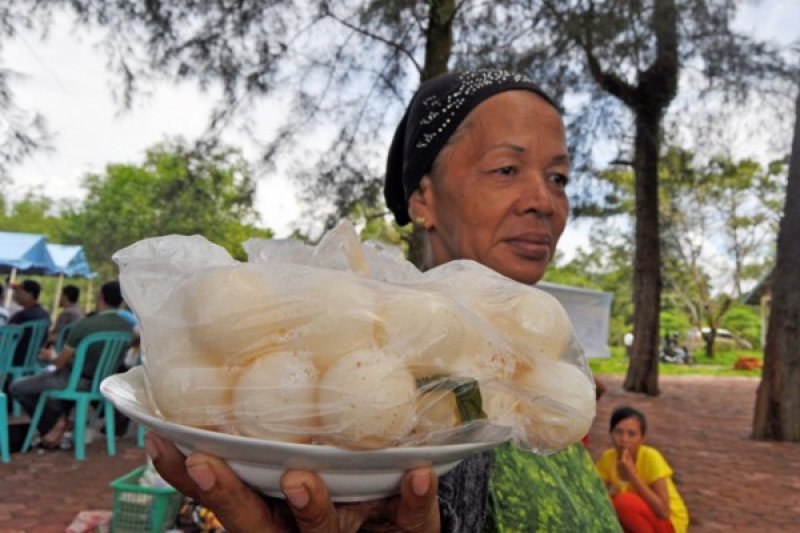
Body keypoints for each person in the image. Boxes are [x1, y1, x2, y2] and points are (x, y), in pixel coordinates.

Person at [145, 68, 619, 531]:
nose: (544, 200)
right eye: (506, 169)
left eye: (559, 177)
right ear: (422, 200)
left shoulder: (531, 365)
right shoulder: (416, 374)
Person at [9, 281, 133, 449]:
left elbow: (60, 363)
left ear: (100, 297)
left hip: (77, 382)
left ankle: (53, 425)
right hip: (105, 383)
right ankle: (61, 422)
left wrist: (50, 356)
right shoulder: (128, 327)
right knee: (61, 381)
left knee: (17, 386)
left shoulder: (85, 326)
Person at [595, 405, 689, 533]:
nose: (624, 439)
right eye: (618, 432)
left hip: (669, 524)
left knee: (623, 503)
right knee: (609, 506)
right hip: (640, 518)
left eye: (632, 434)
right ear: (610, 434)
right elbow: (595, 493)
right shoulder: (608, 457)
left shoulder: (651, 457)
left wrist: (632, 475)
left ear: (642, 438)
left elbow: (663, 511)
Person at [8, 280, 51, 366]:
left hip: (12, 358)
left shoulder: (21, 316)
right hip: (33, 359)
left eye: (18, 292)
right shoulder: (45, 315)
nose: (15, 294)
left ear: (30, 294)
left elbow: (6, 336)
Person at [44, 284, 86, 348]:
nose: (60, 298)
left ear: (65, 297)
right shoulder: (81, 312)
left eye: (61, 295)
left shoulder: (66, 314)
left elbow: (56, 333)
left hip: (62, 346)